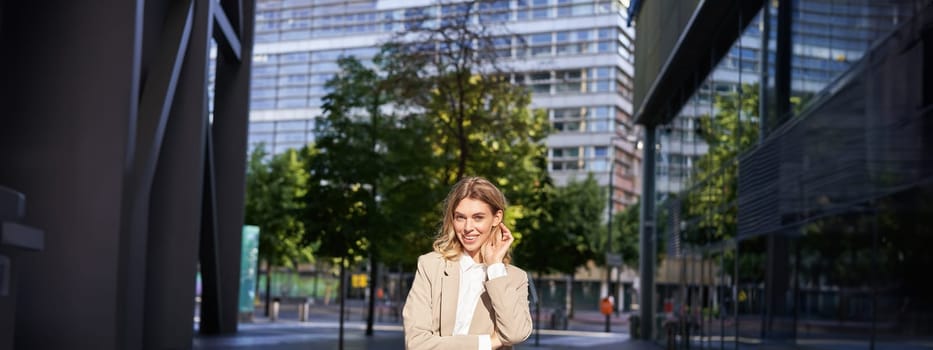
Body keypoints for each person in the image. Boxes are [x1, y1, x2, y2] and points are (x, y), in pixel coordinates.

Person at [403, 176, 533, 350]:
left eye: (478, 217)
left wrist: (495, 267)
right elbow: (417, 343)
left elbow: (516, 333)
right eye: (460, 217)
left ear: (496, 218)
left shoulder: (515, 278)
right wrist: (488, 342)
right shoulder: (431, 266)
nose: (467, 228)